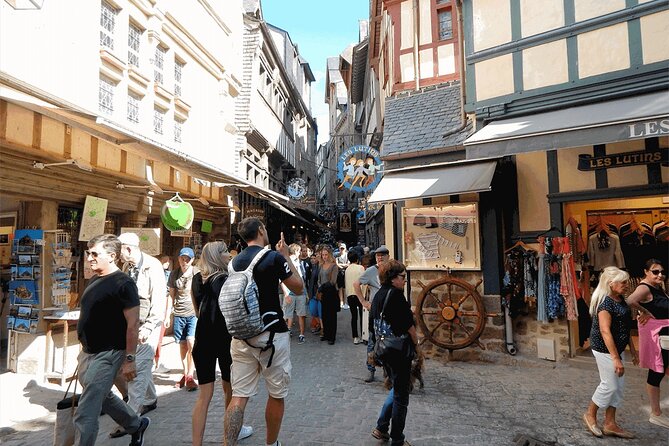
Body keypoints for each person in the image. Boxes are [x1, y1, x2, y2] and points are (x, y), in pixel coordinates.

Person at [223, 218, 303, 446]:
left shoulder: (234, 262)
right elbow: (298, 286)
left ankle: (228, 443)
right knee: (276, 394)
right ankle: (271, 443)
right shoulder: (273, 257)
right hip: (271, 335)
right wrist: (286, 255)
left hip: (241, 335)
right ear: (260, 231)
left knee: (239, 396)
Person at [74, 234, 150, 446]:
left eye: (95, 253)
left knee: (86, 410)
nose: (89, 257)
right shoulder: (96, 278)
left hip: (109, 353)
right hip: (88, 353)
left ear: (112, 256)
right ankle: (136, 424)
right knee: (102, 396)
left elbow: (133, 324)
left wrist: (130, 359)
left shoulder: (123, 283)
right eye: (89, 253)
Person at [191, 241, 253, 445]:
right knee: (231, 391)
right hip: (225, 340)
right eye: (225, 251)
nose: (229, 254)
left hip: (203, 340)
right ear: (218, 256)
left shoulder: (196, 280)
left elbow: (198, 310)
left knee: (204, 397)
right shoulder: (226, 279)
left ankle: (197, 443)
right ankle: (228, 440)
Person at [109, 233, 167, 438]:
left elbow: (159, 300)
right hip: (129, 326)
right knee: (140, 369)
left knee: (136, 373)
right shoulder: (126, 267)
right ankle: (150, 399)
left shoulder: (153, 266)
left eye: (120, 249)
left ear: (128, 248)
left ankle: (130, 420)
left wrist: (150, 327)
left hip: (146, 326)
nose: (117, 254)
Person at [582, 266, 638, 439]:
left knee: (618, 387)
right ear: (611, 284)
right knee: (610, 385)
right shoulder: (605, 303)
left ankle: (610, 424)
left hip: (617, 348)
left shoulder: (621, 300)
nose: (626, 285)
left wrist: (633, 350)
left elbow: (625, 328)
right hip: (604, 349)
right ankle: (590, 415)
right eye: (622, 282)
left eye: (626, 281)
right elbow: (605, 331)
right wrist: (615, 358)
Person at [370, 259, 416, 446]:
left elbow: (372, 325)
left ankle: (381, 428)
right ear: (393, 278)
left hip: (384, 350)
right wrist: (418, 345)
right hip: (398, 351)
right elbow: (409, 326)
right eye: (402, 277)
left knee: (397, 388)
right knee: (401, 397)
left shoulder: (379, 295)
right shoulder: (396, 296)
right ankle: (398, 438)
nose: (405, 280)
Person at [626, 258, 669, 429]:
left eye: (662, 272)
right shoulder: (644, 287)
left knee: (660, 371)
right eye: (655, 271)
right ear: (646, 272)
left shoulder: (658, 287)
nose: (660, 274)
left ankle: (656, 413)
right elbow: (630, 301)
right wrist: (645, 311)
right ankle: (656, 413)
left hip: (665, 337)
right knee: (656, 372)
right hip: (660, 339)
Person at [354, 245, 391, 382]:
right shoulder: (371, 271)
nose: (380, 257)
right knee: (372, 341)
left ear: (388, 256)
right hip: (375, 313)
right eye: (377, 256)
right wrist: (363, 302)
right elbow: (356, 284)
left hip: (389, 313)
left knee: (388, 342)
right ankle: (371, 369)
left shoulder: (391, 270)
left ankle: (387, 371)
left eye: (382, 255)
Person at [168, 247, 199, 390]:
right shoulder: (174, 274)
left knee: (191, 342)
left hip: (193, 313)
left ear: (192, 260)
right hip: (179, 313)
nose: (184, 261)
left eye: (187, 259)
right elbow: (171, 294)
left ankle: (190, 374)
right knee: (182, 345)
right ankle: (184, 372)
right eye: (182, 258)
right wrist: (169, 313)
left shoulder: (197, 273)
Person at [281, 243, 309, 344]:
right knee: (294, 314)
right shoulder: (288, 262)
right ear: (296, 251)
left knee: (296, 314)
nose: (301, 253)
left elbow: (302, 279)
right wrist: (286, 294)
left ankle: (296, 333)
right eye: (299, 251)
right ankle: (297, 334)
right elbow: (282, 280)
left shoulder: (298, 262)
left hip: (299, 292)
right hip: (293, 293)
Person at [154, 254, 173, 371]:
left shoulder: (168, 275)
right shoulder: (158, 276)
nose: (167, 264)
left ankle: (157, 361)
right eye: (165, 261)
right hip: (157, 309)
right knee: (157, 339)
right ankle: (155, 362)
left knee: (159, 339)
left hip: (162, 308)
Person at [318, 246, 339, 345]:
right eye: (323, 255)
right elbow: (319, 279)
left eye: (326, 254)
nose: (324, 256)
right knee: (324, 314)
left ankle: (332, 337)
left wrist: (323, 286)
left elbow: (333, 281)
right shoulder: (321, 265)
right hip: (323, 293)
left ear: (329, 255)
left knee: (331, 316)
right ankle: (326, 334)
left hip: (331, 293)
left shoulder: (334, 266)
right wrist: (319, 287)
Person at [345, 251, 365, 344]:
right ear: (357, 259)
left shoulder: (347, 269)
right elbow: (364, 281)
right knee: (362, 315)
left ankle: (355, 337)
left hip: (350, 294)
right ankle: (363, 335)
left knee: (354, 316)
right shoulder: (361, 268)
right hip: (360, 294)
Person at [308, 251, 322, 334]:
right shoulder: (310, 267)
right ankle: (320, 324)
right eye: (312, 258)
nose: (314, 259)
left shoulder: (321, 266)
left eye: (316, 257)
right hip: (312, 293)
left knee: (320, 312)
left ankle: (322, 327)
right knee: (313, 310)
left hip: (320, 293)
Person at [336, 243, 350, 309]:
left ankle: (346, 302)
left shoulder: (347, 256)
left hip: (346, 273)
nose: (341, 250)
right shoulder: (337, 256)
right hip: (339, 273)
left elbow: (348, 264)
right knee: (340, 288)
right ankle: (341, 302)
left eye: (343, 248)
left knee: (345, 288)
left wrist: (341, 265)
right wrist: (343, 265)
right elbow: (337, 264)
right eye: (340, 248)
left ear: (345, 249)